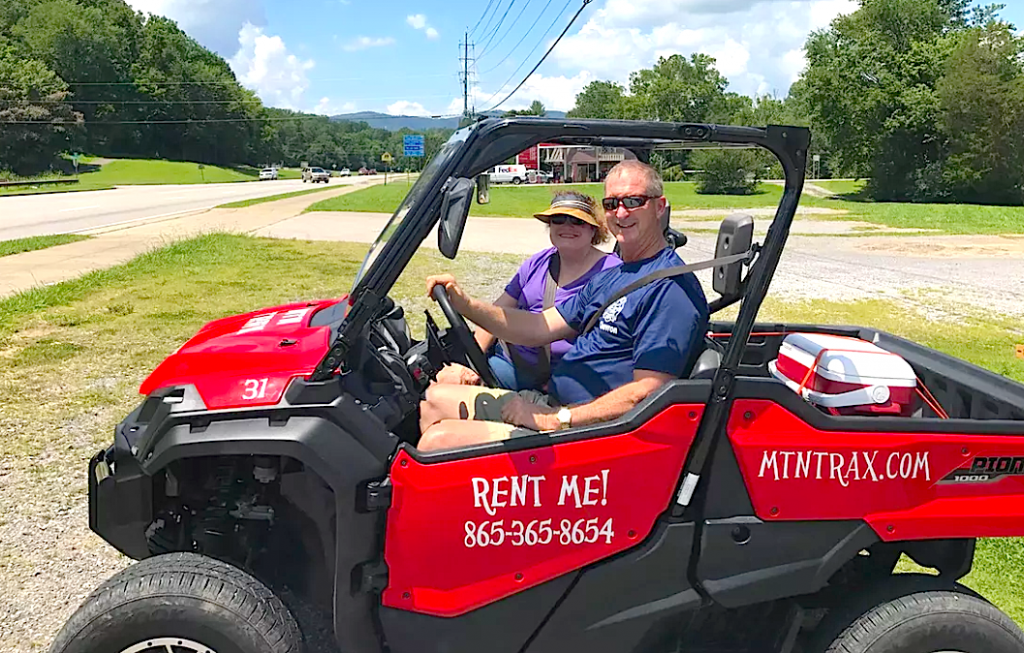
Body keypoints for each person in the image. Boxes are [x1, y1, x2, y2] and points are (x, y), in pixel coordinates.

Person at [417, 159, 709, 452]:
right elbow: (537, 327)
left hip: (594, 434)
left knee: (436, 441)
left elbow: (648, 393)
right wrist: (465, 303)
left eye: (634, 201)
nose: (621, 212)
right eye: (611, 203)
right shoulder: (615, 276)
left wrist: (556, 419)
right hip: (555, 408)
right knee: (433, 401)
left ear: (660, 207)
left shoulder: (670, 289)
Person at [435, 191, 621, 391]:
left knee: (442, 393)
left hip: (554, 379)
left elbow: (611, 347)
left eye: (577, 221)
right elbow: (497, 311)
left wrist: (563, 385)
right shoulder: (537, 262)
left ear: (594, 229)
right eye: (558, 219)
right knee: (440, 376)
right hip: (505, 357)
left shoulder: (612, 274)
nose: (567, 226)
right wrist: (469, 364)